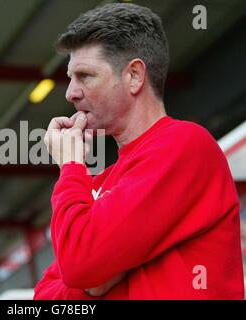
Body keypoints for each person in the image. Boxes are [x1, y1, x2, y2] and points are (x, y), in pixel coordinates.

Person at [33, 3, 245, 299]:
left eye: (84, 76)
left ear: (134, 75)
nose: (70, 92)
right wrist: (91, 286)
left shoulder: (184, 145)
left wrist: (70, 165)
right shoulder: (97, 185)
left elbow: (79, 263)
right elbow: (43, 298)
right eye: (70, 78)